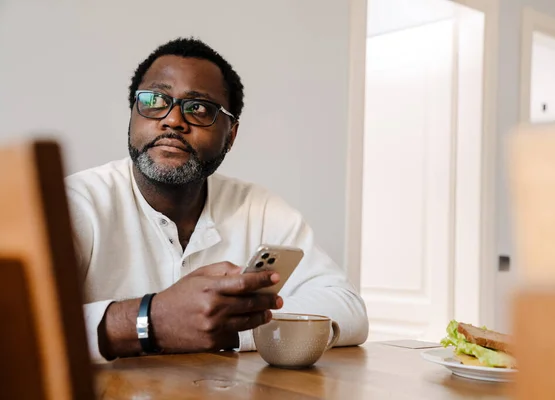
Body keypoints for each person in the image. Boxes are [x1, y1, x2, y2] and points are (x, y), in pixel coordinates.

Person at [66, 37, 368, 363]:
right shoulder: (75, 203)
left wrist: (227, 323)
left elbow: (348, 309)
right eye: (154, 100)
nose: (172, 120)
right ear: (133, 114)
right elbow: (18, 324)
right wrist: (151, 320)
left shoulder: (259, 208)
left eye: (198, 108)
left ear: (231, 135)